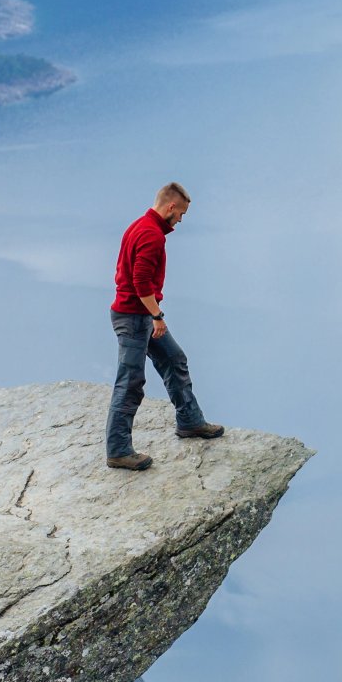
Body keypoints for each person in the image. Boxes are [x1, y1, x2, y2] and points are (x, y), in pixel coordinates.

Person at [106, 182, 224, 470]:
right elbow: (141, 283)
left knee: (174, 359)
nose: (181, 220)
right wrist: (157, 317)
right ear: (170, 206)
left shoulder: (140, 226)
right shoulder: (151, 235)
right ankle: (118, 450)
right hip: (135, 318)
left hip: (139, 315)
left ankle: (190, 421)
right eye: (181, 213)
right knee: (130, 383)